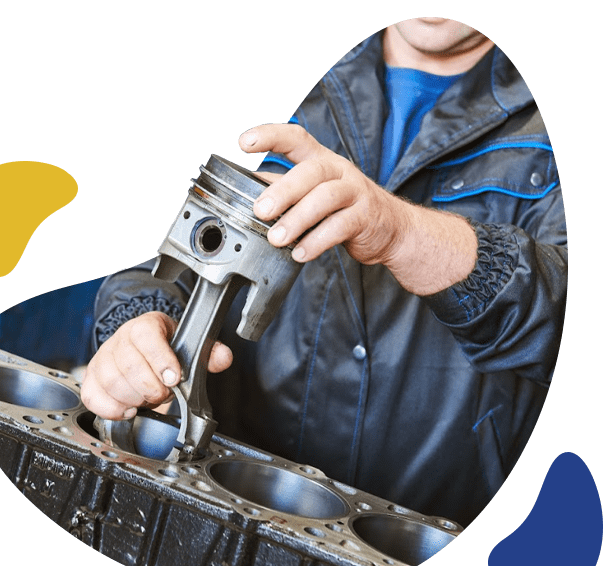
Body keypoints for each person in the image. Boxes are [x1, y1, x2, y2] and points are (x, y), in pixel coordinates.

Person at [81, 18, 567, 527]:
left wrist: (401, 232)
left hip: (428, 537)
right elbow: (152, 254)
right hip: (221, 513)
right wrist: (137, 322)